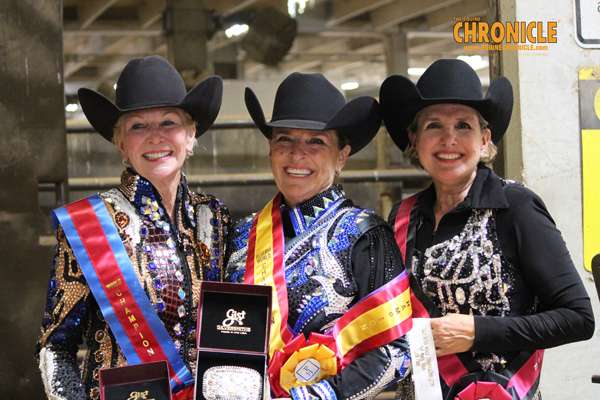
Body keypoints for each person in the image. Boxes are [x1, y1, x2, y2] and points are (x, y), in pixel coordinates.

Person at [380, 59, 594, 400]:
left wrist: (478, 331)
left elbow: (578, 318)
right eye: (434, 126)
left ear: (484, 140)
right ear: (415, 141)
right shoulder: (404, 216)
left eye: (463, 126)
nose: (449, 139)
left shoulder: (516, 207)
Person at [36, 55, 230, 400]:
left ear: (190, 135)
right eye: (138, 126)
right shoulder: (90, 224)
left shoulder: (215, 218)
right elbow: (56, 349)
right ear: (122, 145)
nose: (155, 137)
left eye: (168, 122)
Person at [225, 72, 412, 400]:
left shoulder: (366, 234)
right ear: (271, 149)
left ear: (341, 157)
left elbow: (396, 352)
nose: (297, 154)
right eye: (285, 139)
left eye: (316, 141)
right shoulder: (241, 235)